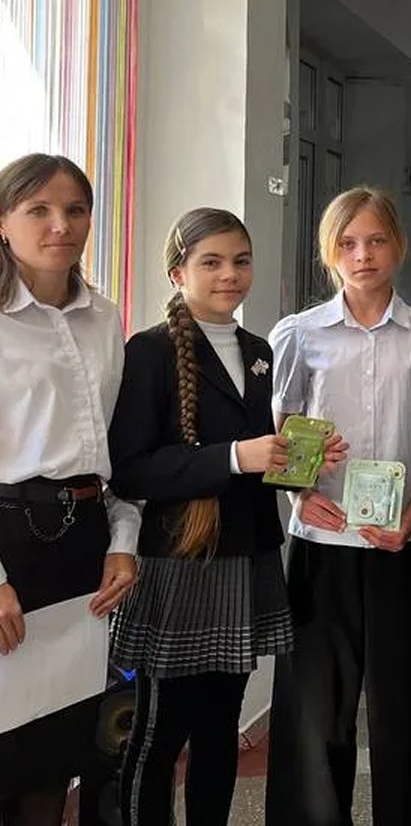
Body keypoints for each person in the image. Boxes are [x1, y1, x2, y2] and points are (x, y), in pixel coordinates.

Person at [107, 209, 341, 826]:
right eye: (210, 262)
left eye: (240, 261)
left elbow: (262, 454)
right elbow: (131, 470)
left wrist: (302, 457)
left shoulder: (259, 351)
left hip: (245, 556)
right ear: (177, 272)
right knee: (159, 733)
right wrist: (237, 456)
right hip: (177, 564)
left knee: (220, 729)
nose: (229, 275)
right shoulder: (149, 351)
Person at [264, 188, 411, 826]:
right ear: (329, 253)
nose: (362, 255)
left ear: (398, 245)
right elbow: (280, 431)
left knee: (406, 707)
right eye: (347, 243)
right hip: (321, 544)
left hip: (399, 544)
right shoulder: (299, 334)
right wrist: (301, 492)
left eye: (375, 241)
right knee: (315, 713)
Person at [0, 154, 139, 826]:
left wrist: (123, 543)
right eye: (39, 210)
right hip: (9, 542)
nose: (61, 225)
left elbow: (118, 452)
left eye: (76, 210)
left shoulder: (104, 319)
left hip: (82, 542)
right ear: (3, 222)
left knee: (57, 745)